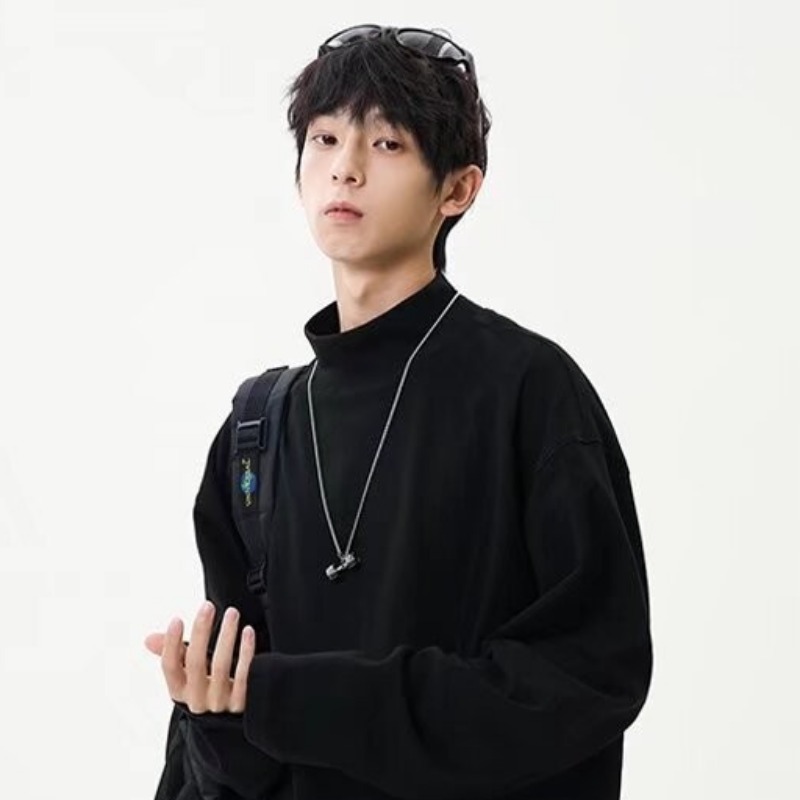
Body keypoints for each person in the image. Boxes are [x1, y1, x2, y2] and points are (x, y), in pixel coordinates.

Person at [145, 23, 653, 800]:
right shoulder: (256, 430)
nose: (344, 168)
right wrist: (215, 714)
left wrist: (296, 701)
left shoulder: (530, 392)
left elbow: (588, 677)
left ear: (458, 189)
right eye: (324, 138)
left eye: (385, 144)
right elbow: (229, 740)